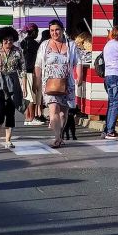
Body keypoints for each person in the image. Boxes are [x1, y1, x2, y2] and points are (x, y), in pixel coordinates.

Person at [35, 19, 82, 148]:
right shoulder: (44, 45)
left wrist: (80, 76)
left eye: (57, 30)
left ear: (62, 30)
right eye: (52, 30)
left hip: (67, 82)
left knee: (63, 112)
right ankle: (56, 137)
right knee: (53, 108)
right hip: (49, 82)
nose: (54, 33)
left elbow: (78, 61)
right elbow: (38, 64)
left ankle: (60, 133)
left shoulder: (71, 45)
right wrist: (37, 80)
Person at [20, 23, 44, 126]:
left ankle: (27, 117)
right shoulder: (34, 44)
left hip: (23, 71)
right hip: (31, 71)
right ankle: (31, 118)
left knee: (26, 96)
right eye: (37, 32)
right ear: (34, 32)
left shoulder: (23, 42)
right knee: (31, 96)